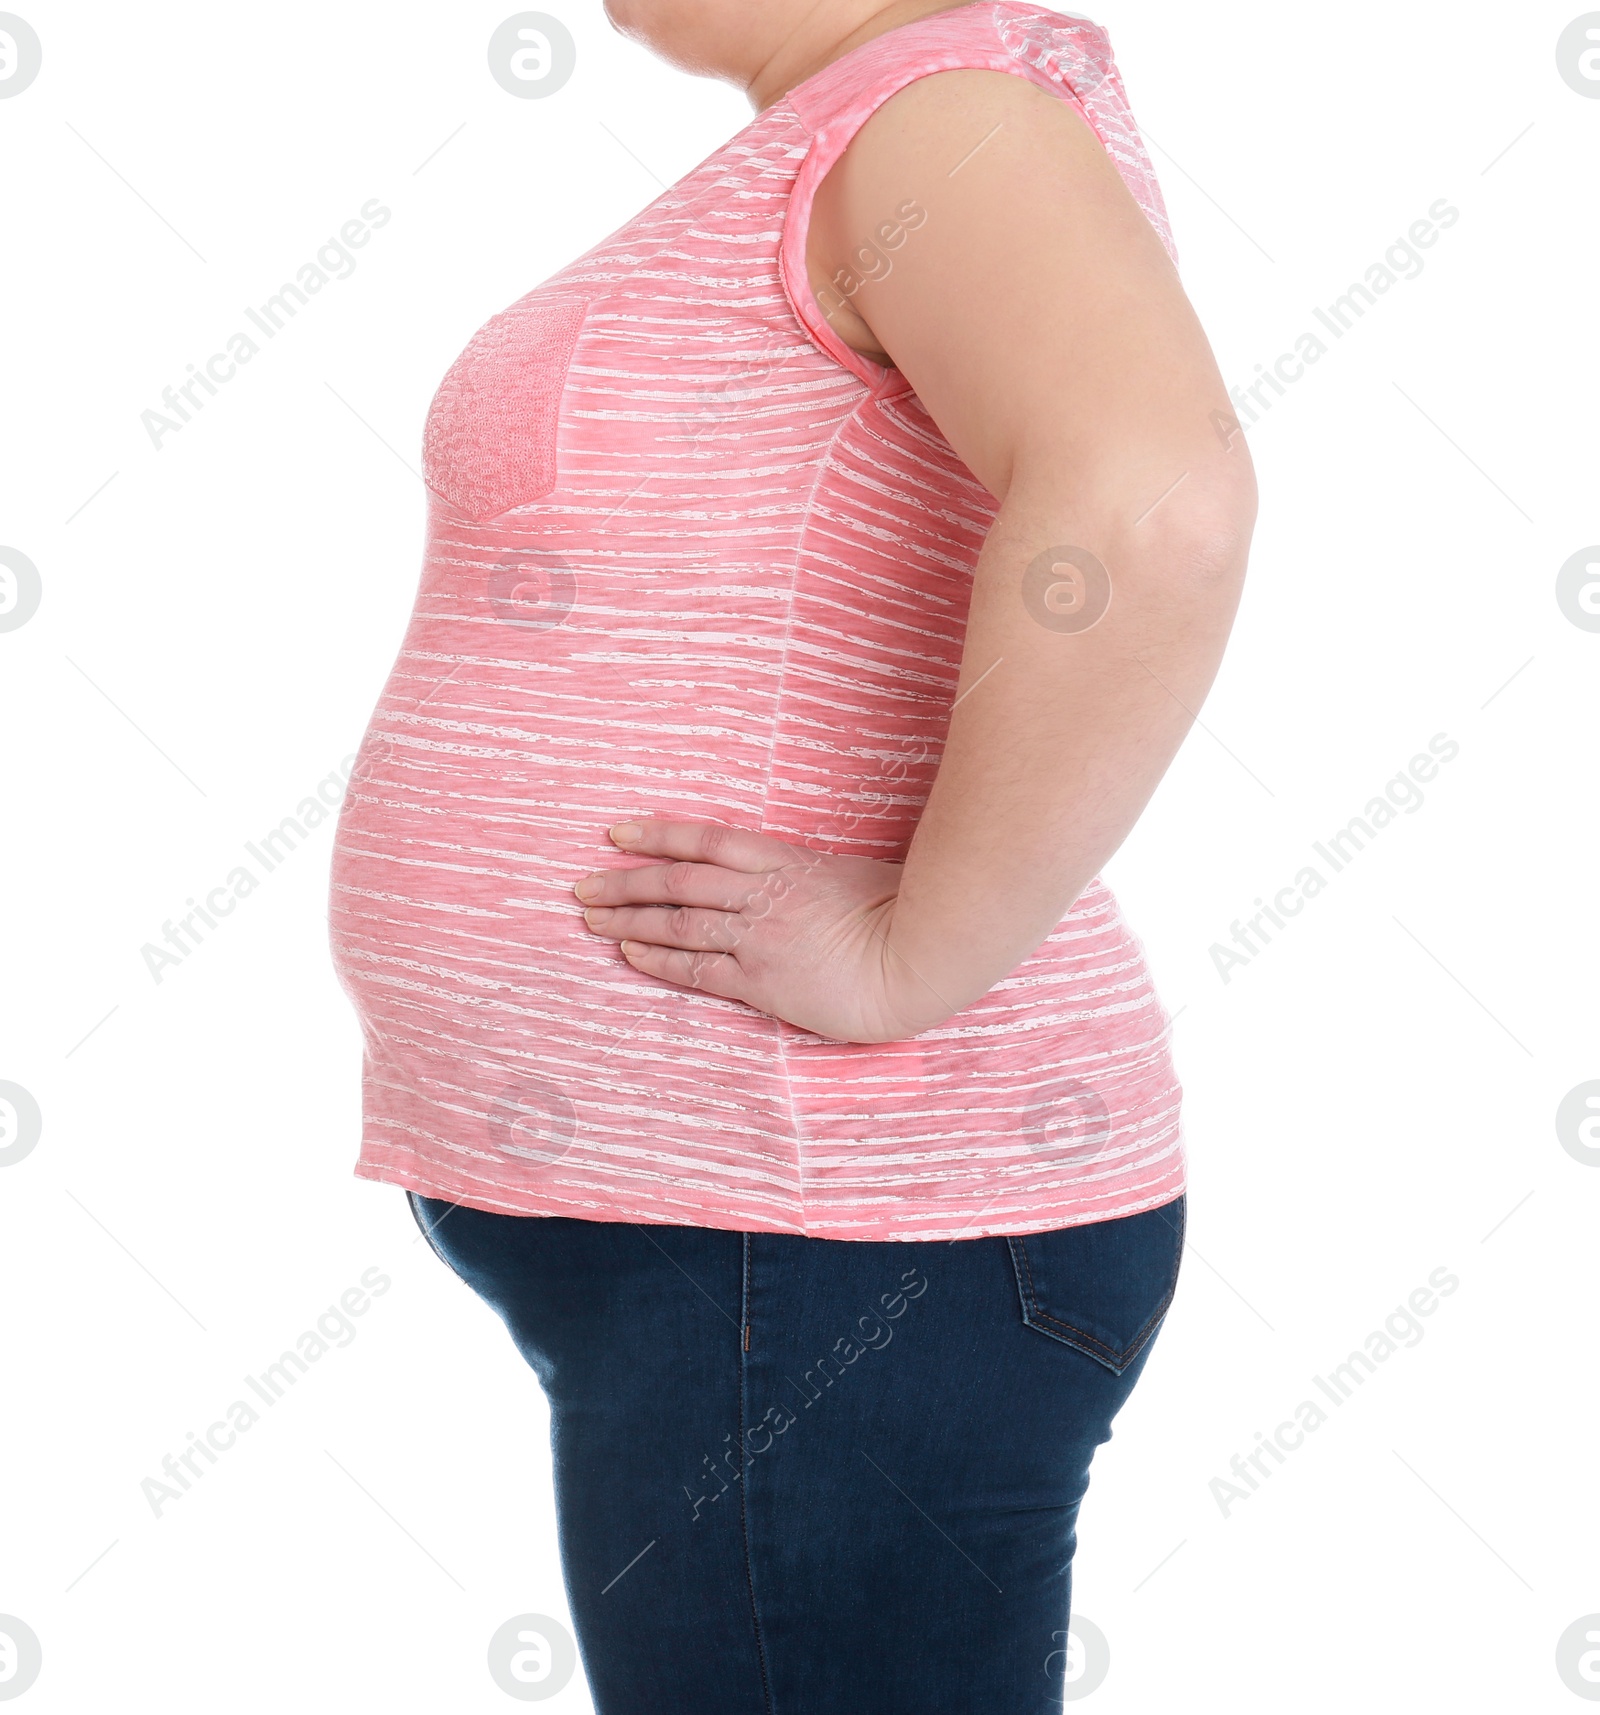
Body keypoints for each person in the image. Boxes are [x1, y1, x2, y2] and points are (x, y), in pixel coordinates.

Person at [328, 0, 1256, 1707]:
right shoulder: (869, 129)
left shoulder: (939, 110)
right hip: (755, 1235)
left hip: (829, 1226)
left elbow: (1152, 505)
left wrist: (924, 952)